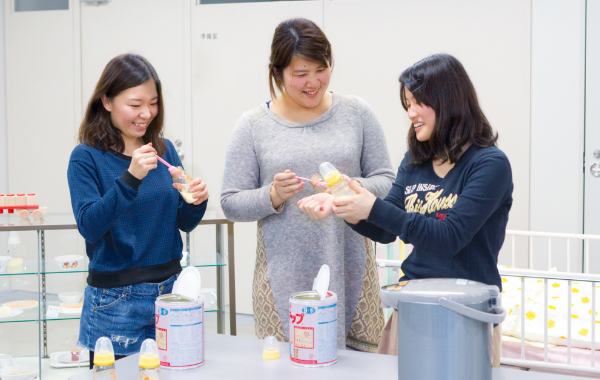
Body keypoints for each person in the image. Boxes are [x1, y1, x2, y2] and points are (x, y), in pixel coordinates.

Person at [221, 18, 395, 352]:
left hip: (352, 270)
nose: (313, 82)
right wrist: (272, 195)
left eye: (321, 69)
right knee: (288, 365)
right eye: (300, 74)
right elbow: (231, 201)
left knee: (358, 369)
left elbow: (386, 180)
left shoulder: (357, 112)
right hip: (281, 278)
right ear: (277, 72)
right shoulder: (253, 125)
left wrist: (348, 187)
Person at [330, 53, 513, 354]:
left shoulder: (489, 164)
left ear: (448, 101)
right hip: (412, 306)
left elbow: (450, 238)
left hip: (466, 312)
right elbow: (386, 230)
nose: (411, 112)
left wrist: (373, 207)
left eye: (418, 102)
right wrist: (347, 207)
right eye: (407, 104)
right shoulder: (415, 161)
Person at [67, 54, 208, 367]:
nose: (146, 113)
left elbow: (183, 223)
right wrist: (130, 178)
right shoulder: (85, 158)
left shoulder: (164, 150)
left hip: (172, 292)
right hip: (114, 303)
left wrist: (195, 200)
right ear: (106, 101)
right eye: (135, 104)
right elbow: (90, 225)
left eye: (153, 102)